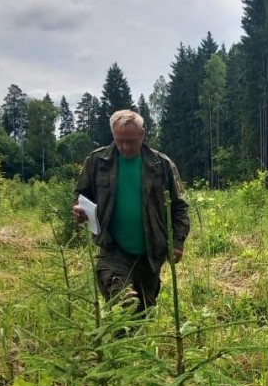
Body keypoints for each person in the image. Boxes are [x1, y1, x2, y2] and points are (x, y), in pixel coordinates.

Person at [72, 109, 190, 313]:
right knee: (123, 301)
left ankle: (133, 343)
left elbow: (180, 206)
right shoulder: (97, 162)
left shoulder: (161, 165)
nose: (125, 147)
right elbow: (81, 195)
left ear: (143, 134)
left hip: (151, 252)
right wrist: (79, 209)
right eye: (120, 141)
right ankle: (118, 340)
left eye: (131, 141)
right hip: (112, 248)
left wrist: (177, 243)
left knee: (144, 311)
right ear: (113, 136)